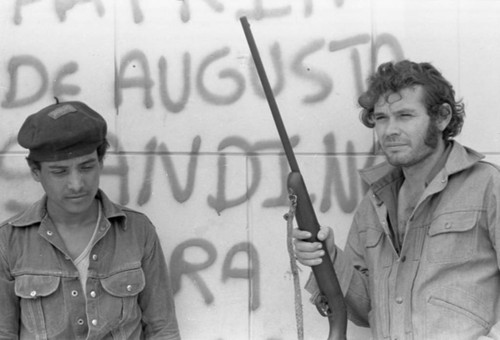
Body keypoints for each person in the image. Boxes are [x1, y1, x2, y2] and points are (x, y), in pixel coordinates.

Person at [293, 60, 500, 339]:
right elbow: (363, 309)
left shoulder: (488, 185)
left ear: (442, 117)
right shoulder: (373, 204)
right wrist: (327, 257)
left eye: (405, 116)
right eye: (381, 118)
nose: (389, 130)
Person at [0, 101, 181, 339]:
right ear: (35, 171)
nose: (76, 184)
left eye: (86, 167)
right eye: (59, 171)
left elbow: (162, 329)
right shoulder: (9, 239)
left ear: (101, 162)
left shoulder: (137, 230)